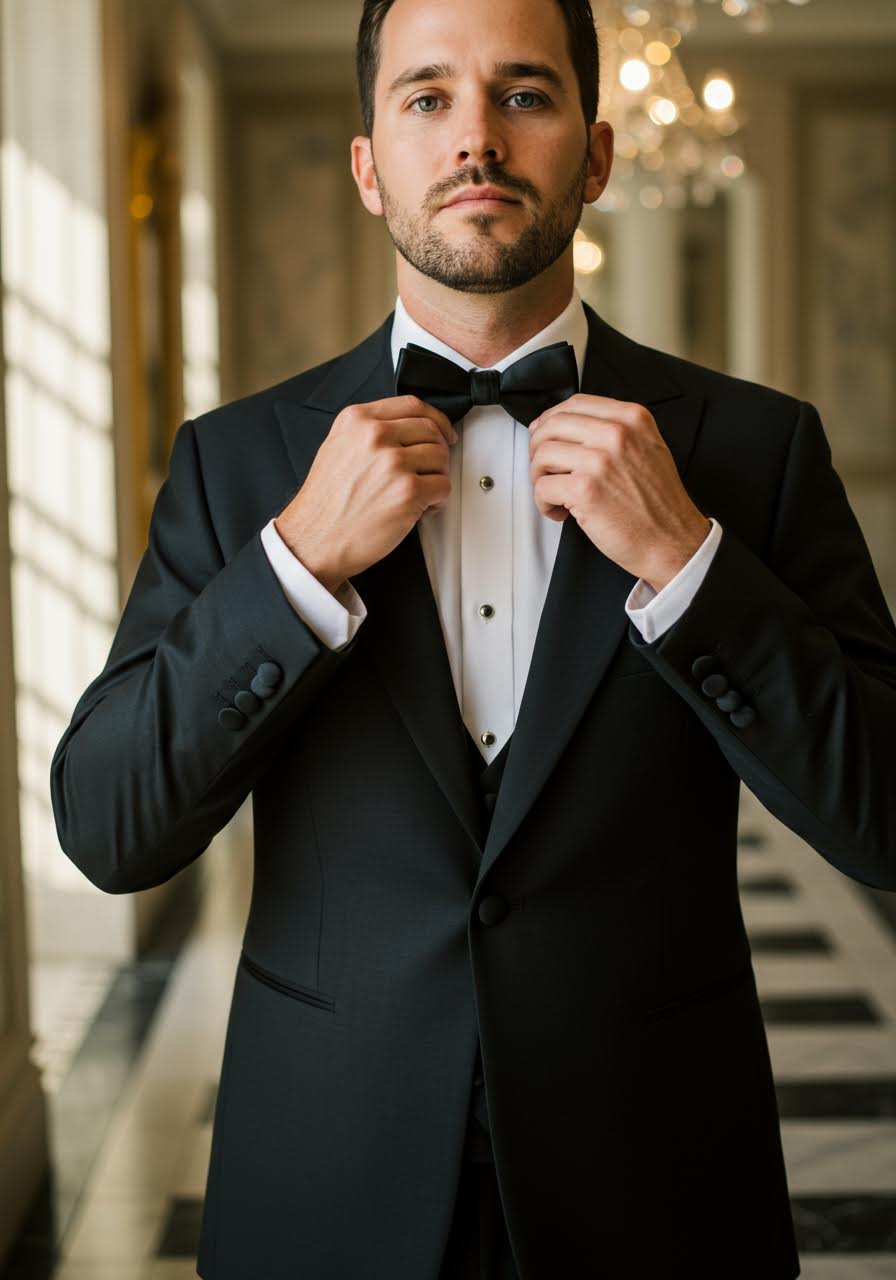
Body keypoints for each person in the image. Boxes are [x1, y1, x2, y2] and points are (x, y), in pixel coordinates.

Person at [49, 0, 896, 1274]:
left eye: (524, 94)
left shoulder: (754, 449)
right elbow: (107, 825)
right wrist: (295, 566)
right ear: (368, 164)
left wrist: (688, 561)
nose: (475, 140)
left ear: (594, 155)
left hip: (657, 1175)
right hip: (325, 1172)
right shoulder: (236, 465)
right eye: (426, 97)